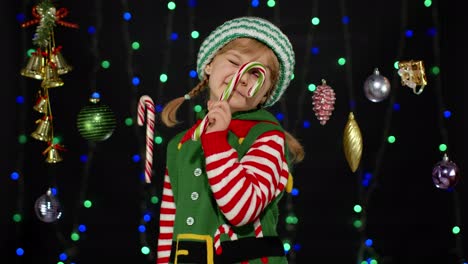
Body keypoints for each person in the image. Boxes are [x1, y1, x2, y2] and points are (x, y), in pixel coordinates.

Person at [157, 16, 305, 264]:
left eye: (257, 74)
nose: (243, 77)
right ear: (209, 66)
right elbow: (169, 224)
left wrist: (216, 140)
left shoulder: (267, 137)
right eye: (234, 62)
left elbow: (242, 210)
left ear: (264, 96)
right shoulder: (180, 144)